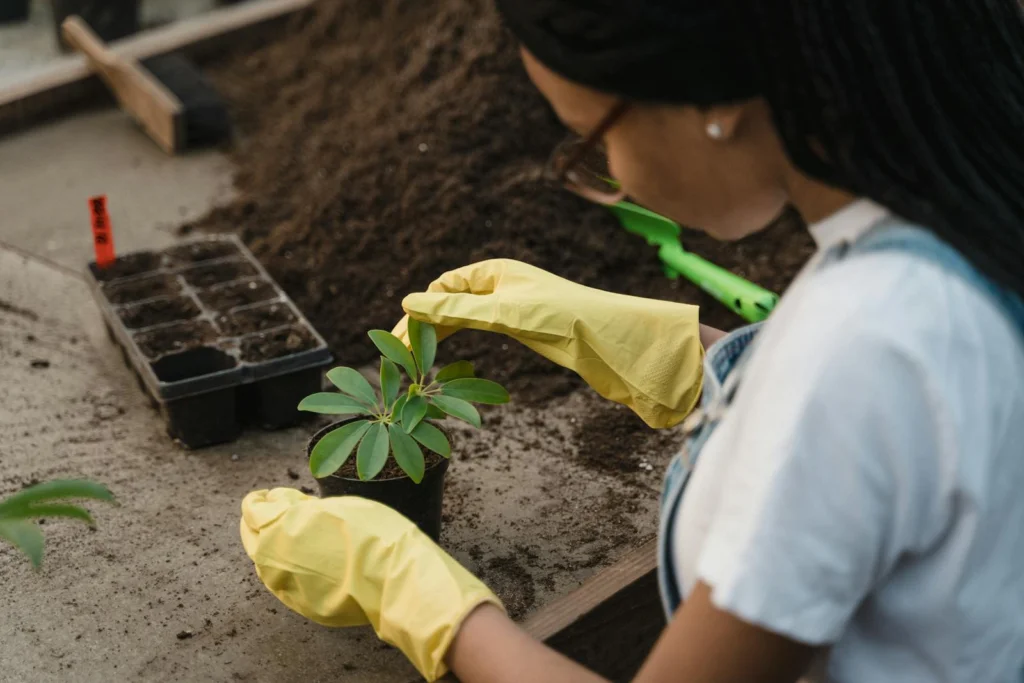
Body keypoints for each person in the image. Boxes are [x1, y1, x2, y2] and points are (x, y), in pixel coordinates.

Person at [239, 1, 1024, 681]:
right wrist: (705, 356)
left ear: (710, 102)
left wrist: (419, 598)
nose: (605, 174)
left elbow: (864, 382)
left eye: (590, 141)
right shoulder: (968, 197)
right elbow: (913, 428)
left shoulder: (860, 349)